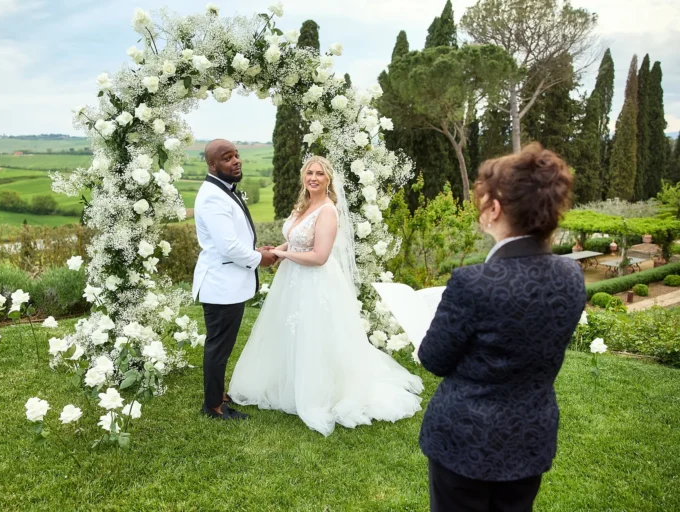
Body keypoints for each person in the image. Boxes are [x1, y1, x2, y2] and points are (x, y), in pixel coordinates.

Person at [417, 143, 587, 512]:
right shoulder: (572, 274)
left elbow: (434, 359)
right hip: (531, 435)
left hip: (465, 439)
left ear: (493, 209)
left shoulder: (473, 282)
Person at [229, 156, 423, 436]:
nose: (314, 178)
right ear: (303, 176)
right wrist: (276, 249)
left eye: (320, 174)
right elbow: (297, 238)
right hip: (292, 281)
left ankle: (319, 391)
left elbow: (319, 257)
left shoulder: (328, 211)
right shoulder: (305, 205)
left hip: (315, 283)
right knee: (288, 333)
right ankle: (288, 383)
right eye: (309, 172)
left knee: (315, 336)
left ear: (328, 179)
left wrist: (282, 255)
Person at [192, 139, 277, 421]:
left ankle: (218, 394)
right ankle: (214, 407)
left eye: (237, 155)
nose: (236, 161)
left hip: (228, 284)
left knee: (222, 345)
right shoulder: (213, 196)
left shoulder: (223, 190)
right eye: (227, 158)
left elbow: (232, 240)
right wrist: (259, 259)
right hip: (221, 286)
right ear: (212, 165)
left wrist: (255, 250)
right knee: (218, 347)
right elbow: (228, 246)